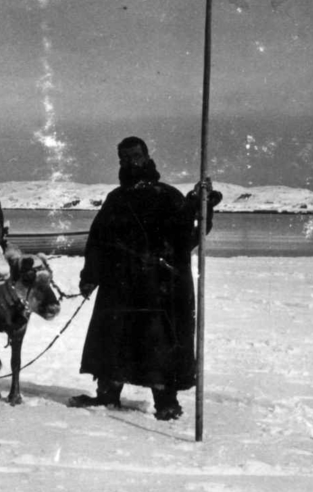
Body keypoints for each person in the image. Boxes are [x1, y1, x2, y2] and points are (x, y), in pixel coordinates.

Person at [69, 137, 222, 420]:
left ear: (147, 156)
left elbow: (189, 237)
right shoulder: (116, 199)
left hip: (160, 287)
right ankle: (107, 394)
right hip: (119, 284)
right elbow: (98, 241)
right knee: (114, 337)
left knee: (158, 342)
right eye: (124, 158)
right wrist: (90, 276)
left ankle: (166, 401)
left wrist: (203, 207)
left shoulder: (168, 196)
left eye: (135, 156)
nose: (130, 162)